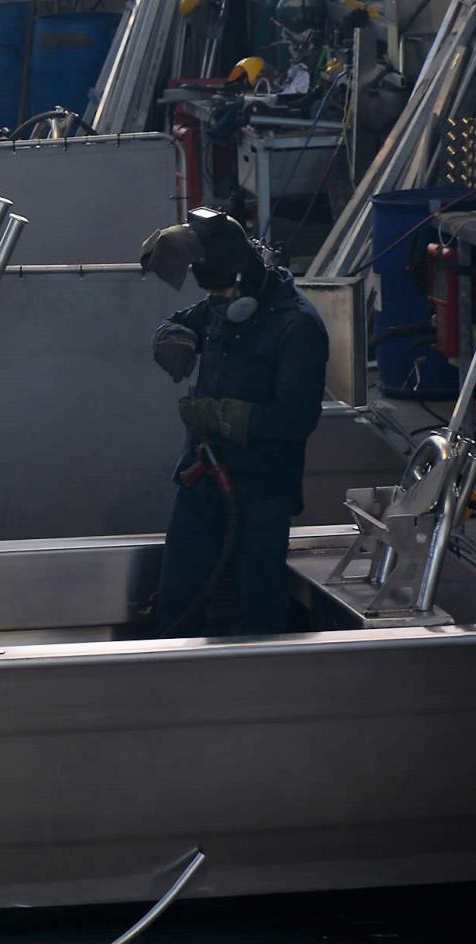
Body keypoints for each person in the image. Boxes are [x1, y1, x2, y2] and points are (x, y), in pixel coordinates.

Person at [139, 208, 329, 636]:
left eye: (224, 295)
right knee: (176, 600)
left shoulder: (298, 326)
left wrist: (216, 414)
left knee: (259, 608)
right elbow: (179, 321)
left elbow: (295, 420)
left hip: (262, 491)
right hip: (201, 479)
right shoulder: (223, 303)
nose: (219, 304)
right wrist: (173, 337)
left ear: (245, 283)